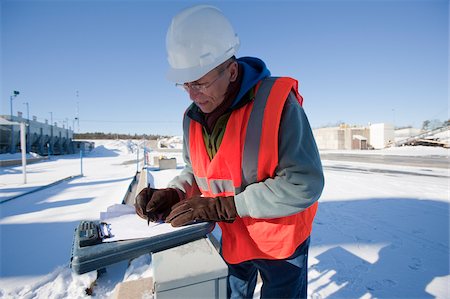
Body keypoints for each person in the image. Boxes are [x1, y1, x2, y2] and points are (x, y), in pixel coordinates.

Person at [135, 4, 324, 299]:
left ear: (232, 70)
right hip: (234, 237)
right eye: (185, 84)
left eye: (200, 82)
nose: (192, 94)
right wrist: (173, 193)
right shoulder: (191, 118)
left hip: (280, 241)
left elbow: (305, 183)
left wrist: (225, 207)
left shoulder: (277, 104)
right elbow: (196, 172)